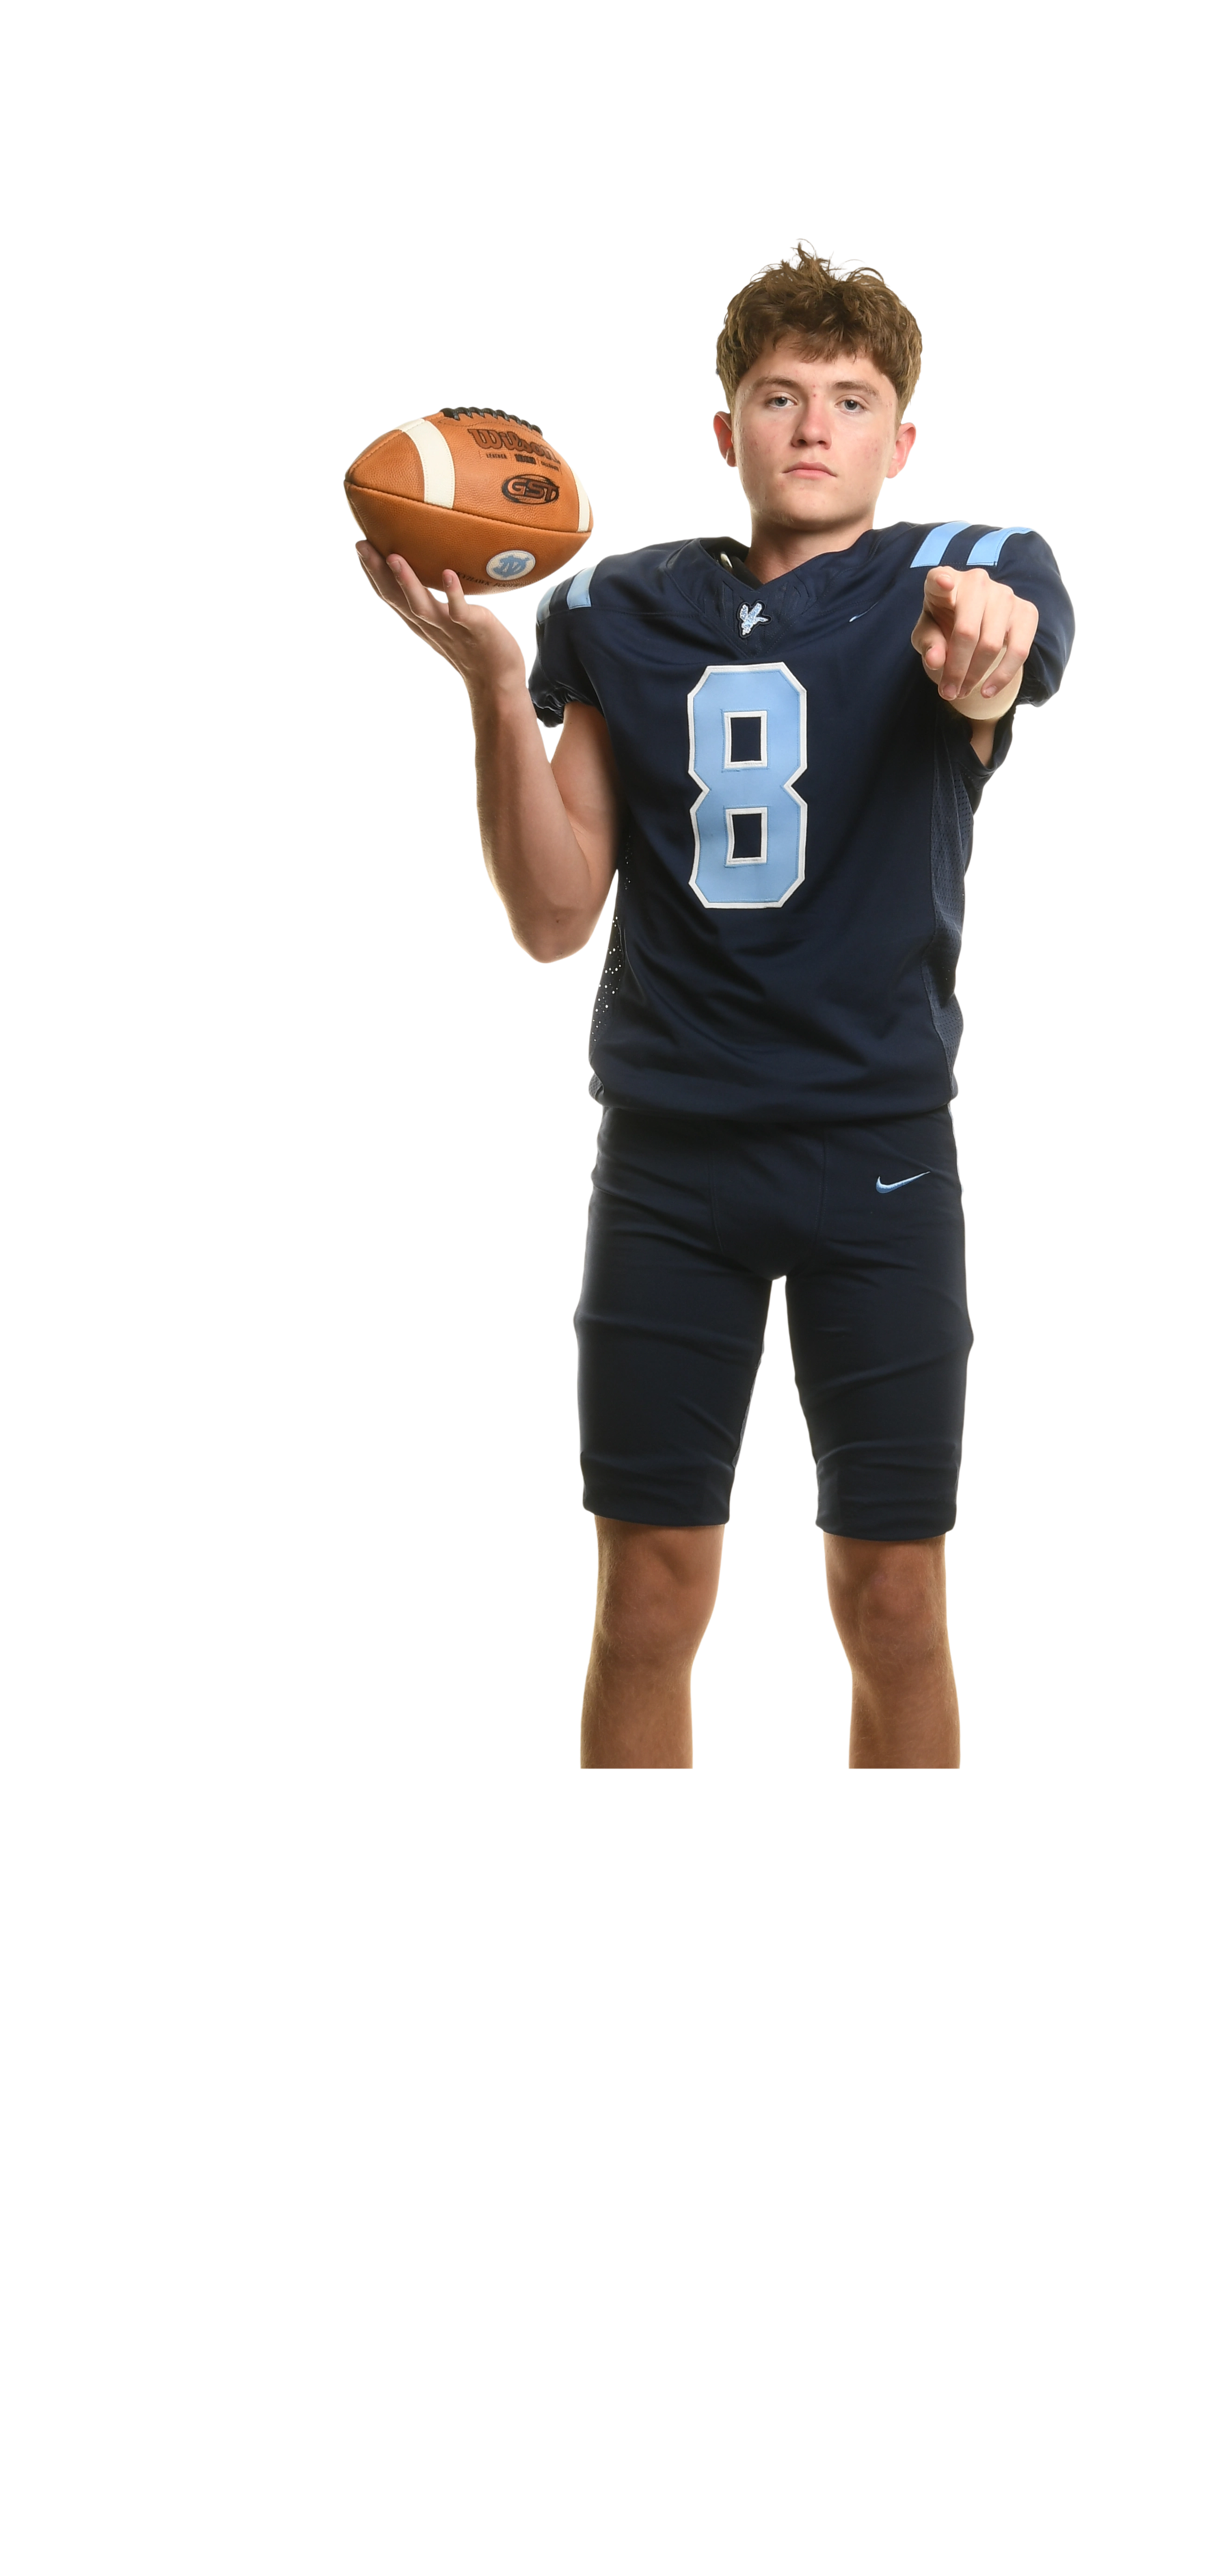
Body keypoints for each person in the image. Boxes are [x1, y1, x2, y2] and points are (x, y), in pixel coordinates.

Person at [355, 238, 1075, 1769]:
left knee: (896, 1604)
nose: (813, 425)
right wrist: (491, 685)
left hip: (879, 1159)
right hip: (669, 1168)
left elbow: (990, 665)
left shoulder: (969, 570)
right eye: (778, 394)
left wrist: (982, 652)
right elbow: (555, 913)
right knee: (647, 1603)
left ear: (901, 441)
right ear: (725, 429)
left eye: (852, 398)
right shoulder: (622, 607)